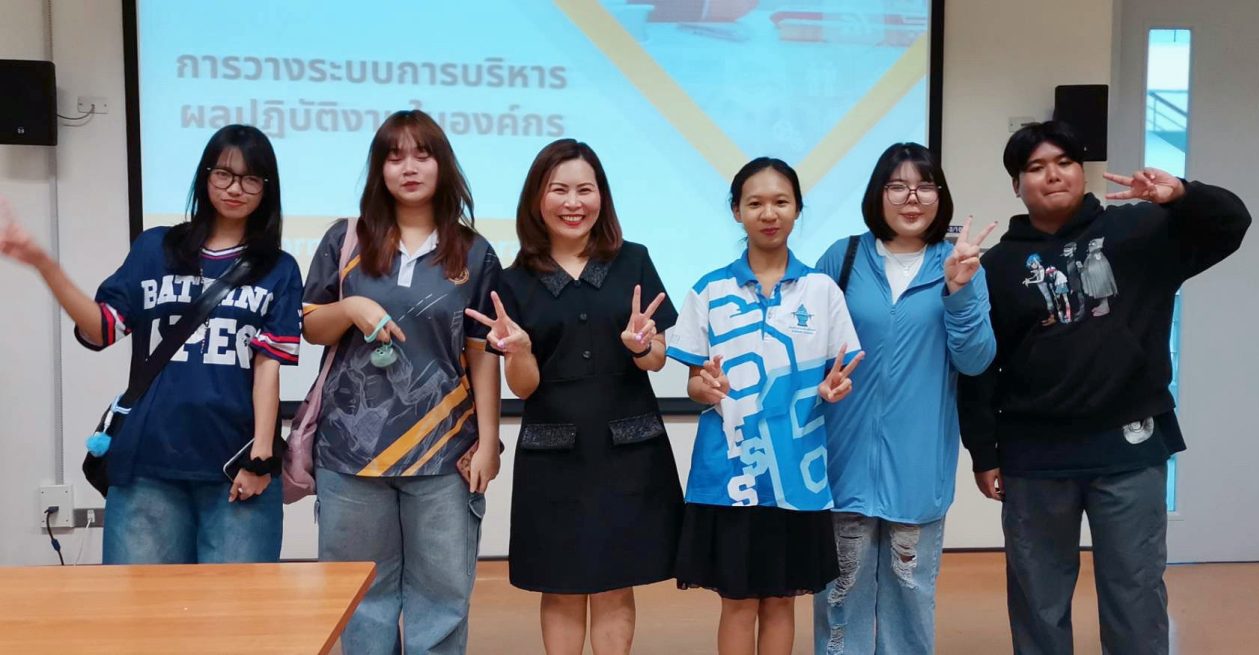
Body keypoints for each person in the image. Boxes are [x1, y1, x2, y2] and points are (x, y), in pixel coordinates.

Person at [959, 120, 1251, 655]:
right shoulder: (996, 266)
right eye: (1035, 168)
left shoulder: (1139, 230)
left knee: (1135, 592)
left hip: (1129, 448)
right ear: (1016, 185)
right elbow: (978, 366)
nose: (1053, 175)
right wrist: (983, 450)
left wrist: (1182, 195)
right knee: (1038, 598)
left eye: (1064, 162)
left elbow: (1233, 222)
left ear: (1082, 171)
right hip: (1033, 457)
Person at [0, 125, 301, 564]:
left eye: (251, 178)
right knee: (136, 604)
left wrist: (260, 457)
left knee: (237, 607)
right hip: (147, 464)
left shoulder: (278, 268)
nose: (235, 188)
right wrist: (44, 263)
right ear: (205, 176)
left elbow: (267, 368)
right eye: (224, 174)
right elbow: (103, 329)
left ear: (267, 188)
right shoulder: (156, 248)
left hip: (234, 467)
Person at [465, 138, 684, 655]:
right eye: (558, 189)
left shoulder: (634, 261)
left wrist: (643, 346)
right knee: (560, 584)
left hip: (629, 451)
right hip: (554, 455)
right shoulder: (513, 281)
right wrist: (520, 351)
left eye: (585, 190)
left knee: (615, 582)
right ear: (536, 199)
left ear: (601, 197)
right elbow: (523, 386)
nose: (573, 202)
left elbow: (657, 358)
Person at [302, 110, 502, 654]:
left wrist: (488, 441)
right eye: (394, 157)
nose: (408, 168)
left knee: (442, 599)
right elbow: (312, 327)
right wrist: (351, 307)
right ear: (379, 169)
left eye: (421, 155)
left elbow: (482, 353)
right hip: (350, 452)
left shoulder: (474, 251)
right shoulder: (346, 239)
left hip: (444, 453)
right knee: (360, 598)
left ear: (443, 165)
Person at [667, 157, 863, 655]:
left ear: (798, 209)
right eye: (755, 203)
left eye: (781, 202)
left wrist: (832, 389)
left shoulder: (822, 290)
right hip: (728, 475)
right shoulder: (709, 290)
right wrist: (706, 388)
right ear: (737, 211)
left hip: (796, 476)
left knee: (780, 602)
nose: (769, 213)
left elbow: (838, 374)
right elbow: (693, 383)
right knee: (737, 603)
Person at [812, 142, 996, 654]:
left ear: (941, 196)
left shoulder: (958, 264)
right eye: (897, 186)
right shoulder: (844, 257)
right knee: (839, 596)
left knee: (910, 597)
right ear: (878, 194)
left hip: (917, 466)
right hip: (842, 461)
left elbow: (976, 360)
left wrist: (959, 292)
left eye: (924, 186)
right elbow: (809, 347)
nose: (912, 198)